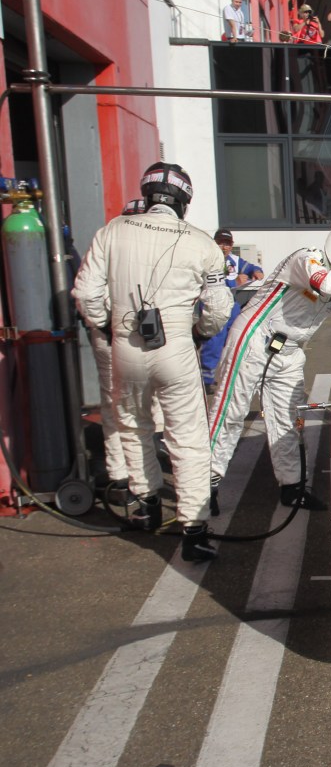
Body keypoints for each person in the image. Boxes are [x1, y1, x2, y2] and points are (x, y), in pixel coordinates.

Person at [73, 163, 233, 561]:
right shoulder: (202, 243)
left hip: (125, 344)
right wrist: (198, 334)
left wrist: (107, 329)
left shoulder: (112, 230)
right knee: (188, 439)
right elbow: (219, 307)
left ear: (146, 196)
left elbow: (86, 293)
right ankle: (193, 530)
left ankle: (146, 508)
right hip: (176, 345)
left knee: (133, 425)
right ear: (185, 201)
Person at [208, 221, 331, 513]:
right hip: (254, 338)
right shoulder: (307, 258)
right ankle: (206, 487)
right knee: (230, 413)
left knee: (287, 421)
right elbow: (326, 283)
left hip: (289, 350)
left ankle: (292, 487)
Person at [199, 229, 264, 394]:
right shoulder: (208, 259)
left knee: (236, 338)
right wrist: (233, 281)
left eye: (227, 243)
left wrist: (256, 271)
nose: (224, 247)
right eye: (220, 242)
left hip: (232, 304)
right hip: (212, 304)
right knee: (214, 341)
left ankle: (230, 376)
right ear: (214, 243)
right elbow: (208, 283)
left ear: (231, 245)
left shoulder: (234, 260)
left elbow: (251, 267)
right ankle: (206, 379)